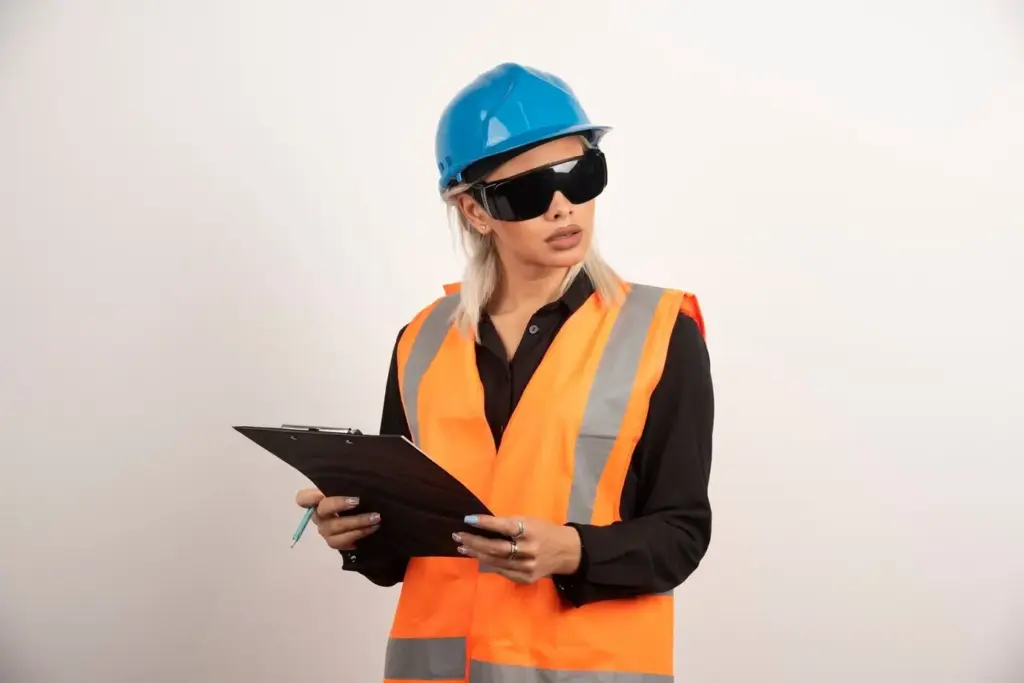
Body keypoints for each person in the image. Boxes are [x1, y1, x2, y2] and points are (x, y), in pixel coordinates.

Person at [295, 62, 714, 682]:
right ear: (475, 210)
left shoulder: (661, 333)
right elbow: (399, 551)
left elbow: (682, 533)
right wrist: (354, 530)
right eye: (529, 191)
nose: (563, 207)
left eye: (580, 175)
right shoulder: (421, 342)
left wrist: (573, 550)